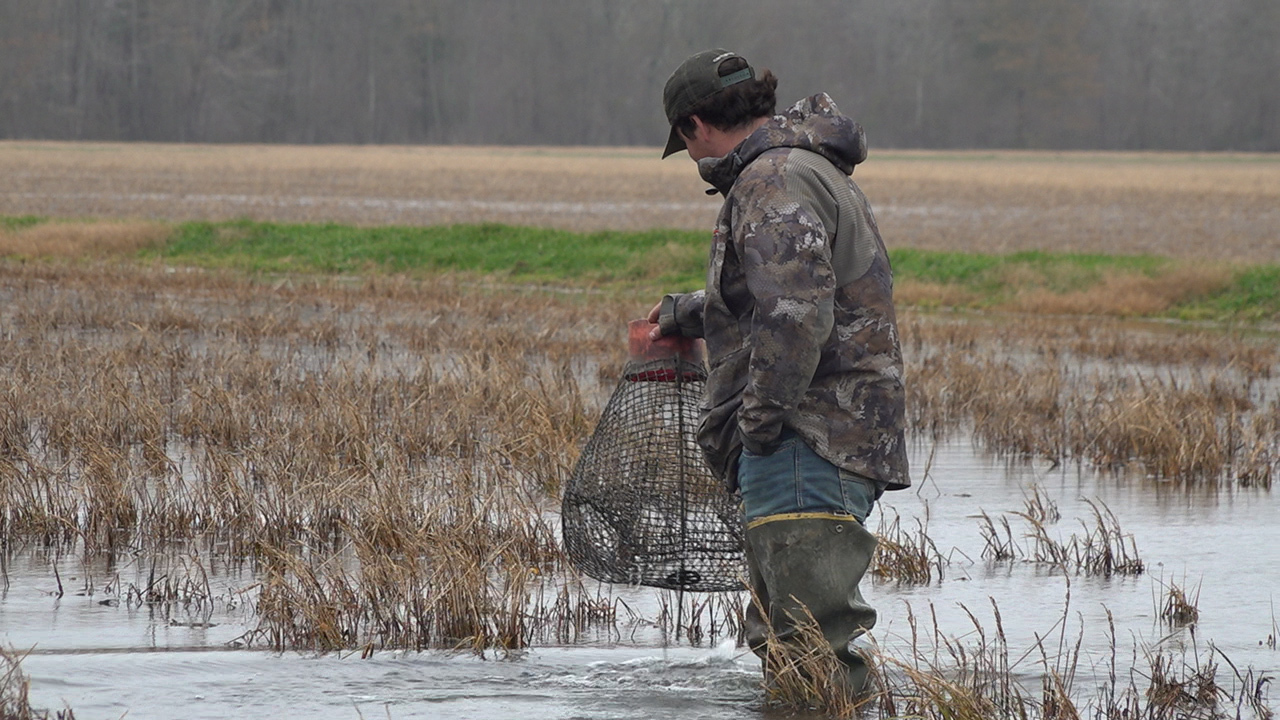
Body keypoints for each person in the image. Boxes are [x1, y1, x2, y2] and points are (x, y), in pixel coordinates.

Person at [646, 48, 910, 695]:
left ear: (694, 127)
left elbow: (797, 316)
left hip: (804, 443)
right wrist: (689, 312)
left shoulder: (770, 179)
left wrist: (757, 426)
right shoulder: (804, 166)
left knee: (808, 650)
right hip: (825, 439)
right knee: (789, 645)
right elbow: (794, 294)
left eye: (686, 145)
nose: (695, 162)